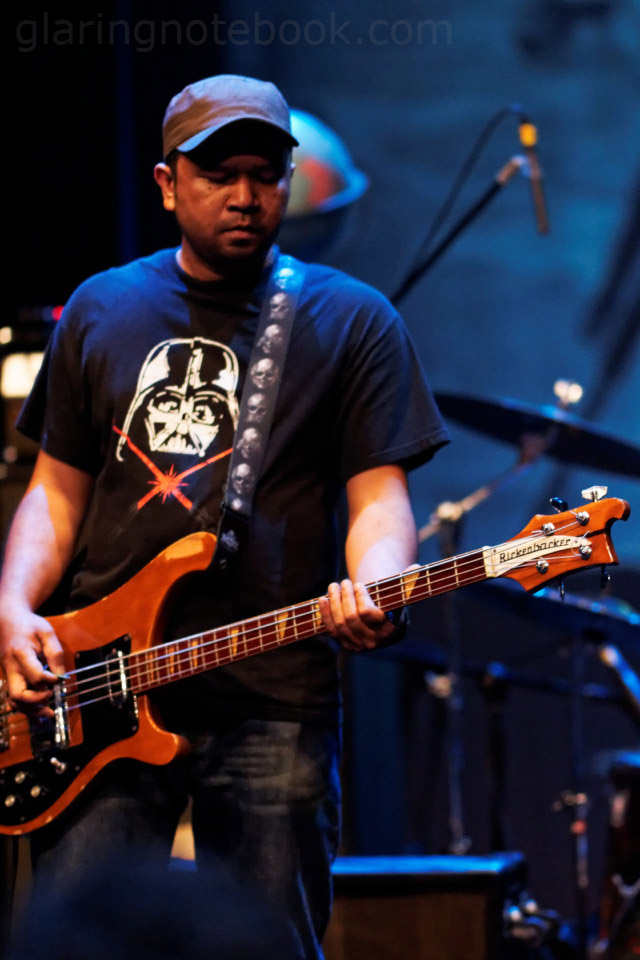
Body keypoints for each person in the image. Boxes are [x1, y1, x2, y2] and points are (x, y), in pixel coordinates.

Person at [0, 75, 448, 958]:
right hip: (98, 691)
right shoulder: (101, 306)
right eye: (218, 174)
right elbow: (56, 493)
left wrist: (377, 584)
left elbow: (378, 501)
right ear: (168, 185)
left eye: (265, 174)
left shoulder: (353, 320)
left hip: (273, 694)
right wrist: (13, 609)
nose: (245, 195)